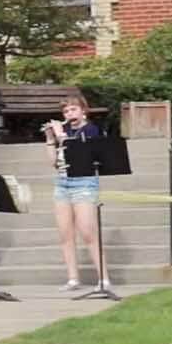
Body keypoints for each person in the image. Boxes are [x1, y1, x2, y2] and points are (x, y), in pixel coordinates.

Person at [45, 96, 106, 291]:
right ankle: (73, 278)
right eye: (66, 111)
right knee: (65, 233)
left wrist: (61, 136)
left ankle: (103, 278)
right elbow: (53, 162)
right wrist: (50, 139)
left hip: (84, 182)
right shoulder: (65, 131)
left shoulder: (91, 130)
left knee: (87, 232)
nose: (69, 114)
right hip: (62, 182)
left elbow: (78, 152)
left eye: (73, 109)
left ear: (83, 111)